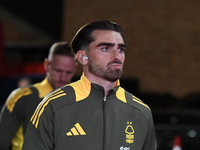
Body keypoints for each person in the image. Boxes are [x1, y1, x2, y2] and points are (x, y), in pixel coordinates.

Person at [22, 20, 156, 150]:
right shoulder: (54, 106)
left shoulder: (141, 112)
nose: (117, 56)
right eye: (105, 48)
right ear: (82, 57)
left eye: (121, 49)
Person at [0, 41, 78, 150]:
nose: (63, 77)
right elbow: (2, 142)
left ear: (75, 69)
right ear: (47, 65)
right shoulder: (22, 98)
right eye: (58, 71)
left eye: (69, 72)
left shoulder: (79, 102)